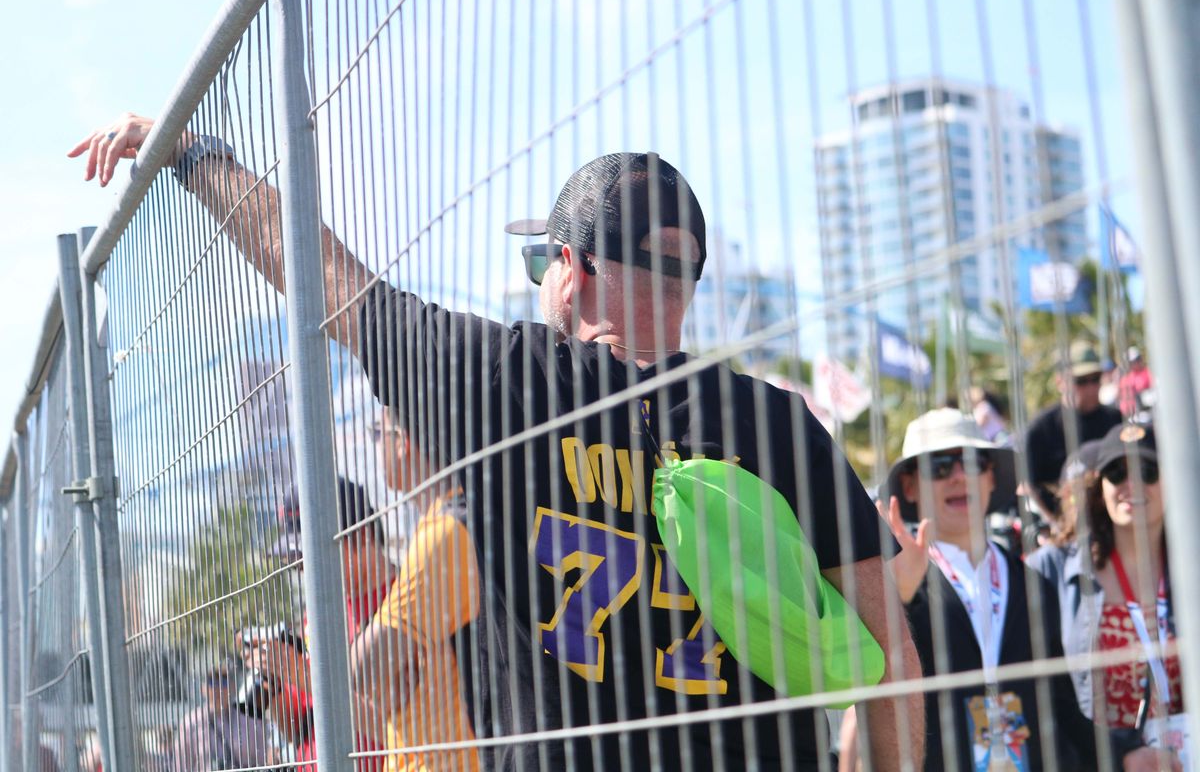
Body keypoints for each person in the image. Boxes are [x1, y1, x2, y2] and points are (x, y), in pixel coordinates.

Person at [72, 115, 923, 771]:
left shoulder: (504, 382)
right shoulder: (779, 427)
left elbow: (321, 276)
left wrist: (189, 153)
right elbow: (891, 657)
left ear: (572, 268)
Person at [859, 408, 1097, 771]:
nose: (958, 477)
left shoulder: (1031, 581)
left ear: (990, 477)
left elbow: (1061, 702)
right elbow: (874, 700)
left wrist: (1124, 751)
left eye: (972, 462)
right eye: (939, 466)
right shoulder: (891, 585)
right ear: (909, 486)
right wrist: (899, 600)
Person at [1028, 423, 1187, 772]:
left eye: (1148, 470)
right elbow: (1047, 697)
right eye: (1117, 472)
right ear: (1100, 488)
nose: (1132, 484)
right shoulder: (1051, 570)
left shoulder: (1192, 570)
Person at [349, 407, 484, 772]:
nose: (374, 443)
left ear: (403, 442)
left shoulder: (446, 531)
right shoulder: (445, 521)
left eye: (378, 432)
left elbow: (362, 669)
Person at [246, 479, 392, 770]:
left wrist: (302, 675)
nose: (301, 570)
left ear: (360, 536)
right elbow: (300, 728)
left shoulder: (401, 603)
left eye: (308, 558)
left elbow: (395, 728)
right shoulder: (318, 617)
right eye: (296, 560)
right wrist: (273, 679)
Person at [1025, 341, 1123, 516]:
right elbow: (1028, 486)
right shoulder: (1041, 429)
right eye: (1081, 381)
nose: (1091, 387)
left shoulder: (1116, 420)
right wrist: (1056, 527)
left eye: (1095, 379)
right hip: (1062, 524)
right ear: (1060, 381)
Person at [168, 663, 271, 772]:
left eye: (224, 683)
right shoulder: (190, 723)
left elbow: (262, 761)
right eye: (213, 683)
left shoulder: (249, 719)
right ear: (203, 689)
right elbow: (181, 765)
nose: (219, 689)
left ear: (232, 687)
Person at [1117, 347, 1154, 420]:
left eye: (1137, 359)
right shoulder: (1125, 379)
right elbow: (1120, 397)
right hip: (1129, 415)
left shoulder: (1148, 373)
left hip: (1146, 413)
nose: (1135, 363)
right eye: (1132, 361)